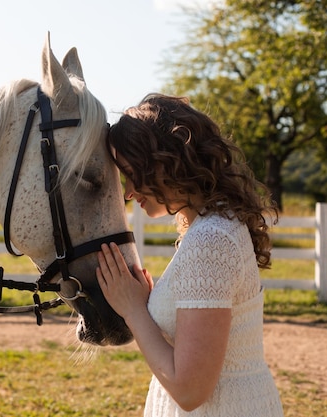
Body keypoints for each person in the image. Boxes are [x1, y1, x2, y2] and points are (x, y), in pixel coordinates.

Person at [96, 93, 284, 416]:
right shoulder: (211, 226)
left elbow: (190, 388)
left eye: (131, 173)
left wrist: (133, 311)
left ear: (165, 161)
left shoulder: (211, 240)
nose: (128, 192)